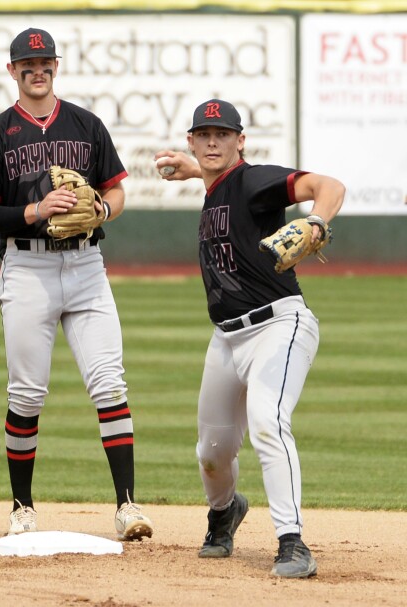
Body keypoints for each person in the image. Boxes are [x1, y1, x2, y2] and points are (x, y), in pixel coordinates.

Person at [0, 27, 154, 541]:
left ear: (55, 65)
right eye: (27, 63)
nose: (37, 69)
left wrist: (102, 211)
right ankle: (22, 508)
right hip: (27, 269)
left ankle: (128, 507)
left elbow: (117, 191)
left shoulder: (86, 125)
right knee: (26, 394)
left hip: (87, 266)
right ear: (12, 71)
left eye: (45, 61)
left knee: (109, 383)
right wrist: (34, 209)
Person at [155, 99, 345, 578]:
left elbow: (329, 186)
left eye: (223, 134)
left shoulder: (254, 180)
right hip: (226, 339)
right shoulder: (216, 183)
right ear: (192, 141)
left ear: (241, 141)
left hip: (279, 326)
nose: (213, 141)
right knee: (212, 453)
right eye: (204, 134)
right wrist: (195, 172)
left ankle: (292, 542)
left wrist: (317, 219)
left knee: (267, 421)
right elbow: (220, 183)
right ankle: (224, 513)